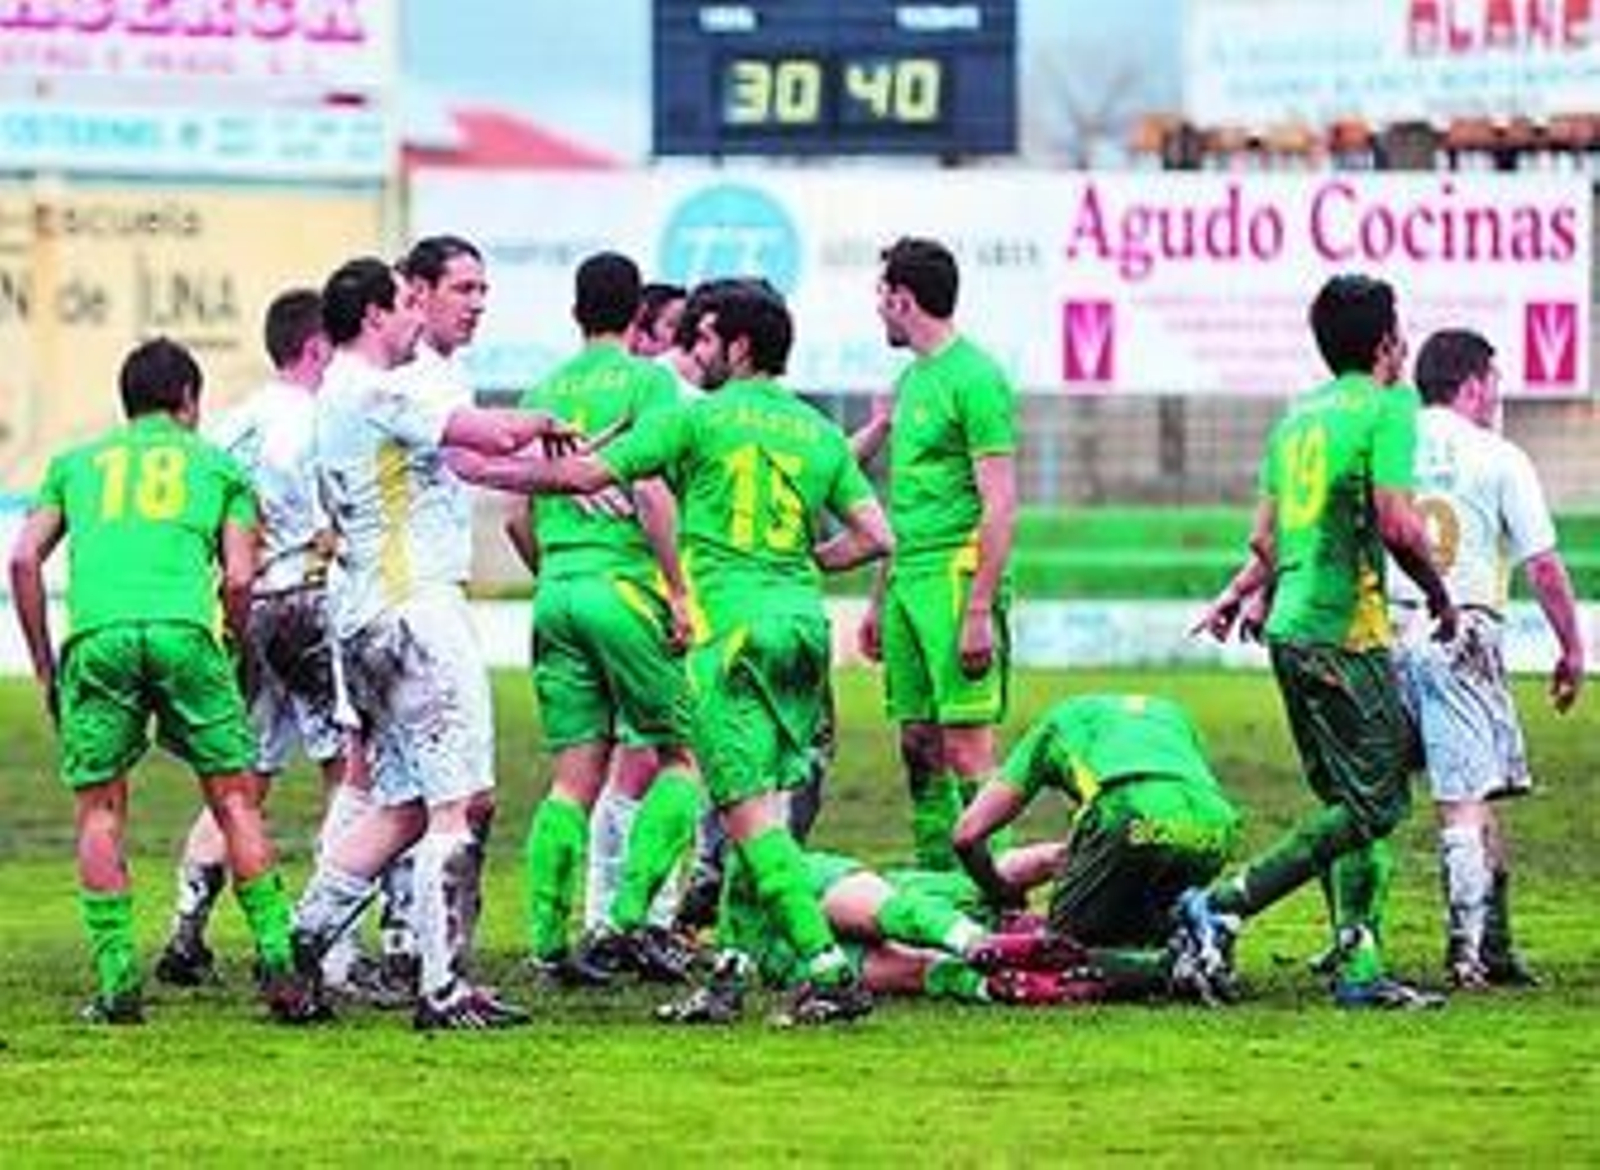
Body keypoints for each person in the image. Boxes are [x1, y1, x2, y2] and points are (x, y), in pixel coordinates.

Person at [448, 279, 894, 1026]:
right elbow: (881, 538)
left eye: (710, 337)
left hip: (729, 635)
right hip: (803, 630)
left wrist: (487, 470)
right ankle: (730, 971)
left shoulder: (696, 418)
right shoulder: (817, 431)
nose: (699, 350)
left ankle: (824, 971)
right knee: (771, 811)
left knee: (745, 817)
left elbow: (587, 475)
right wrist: (802, 562)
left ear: (741, 346)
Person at [289, 256, 572, 1031]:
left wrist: (571, 476)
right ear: (377, 316)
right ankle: (443, 989)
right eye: (406, 305)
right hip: (416, 614)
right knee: (458, 805)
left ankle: (303, 945)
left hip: (365, 620)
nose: (418, 318)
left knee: (403, 805)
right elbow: (476, 435)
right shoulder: (374, 389)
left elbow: (469, 460)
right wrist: (545, 422)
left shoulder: (338, 395)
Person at [8, 338, 324, 1025]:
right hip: (186, 632)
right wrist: (233, 640)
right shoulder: (216, 465)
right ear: (188, 400)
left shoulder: (75, 463)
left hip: (98, 636)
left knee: (99, 809)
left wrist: (42, 661)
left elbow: (24, 560)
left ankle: (119, 985)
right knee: (236, 800)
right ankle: (280, 968)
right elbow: (241, 576)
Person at [1183, 273, 1458, 1010]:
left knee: (1345, 799)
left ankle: (1358, 964)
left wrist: (1238, 592)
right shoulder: (1389, 406)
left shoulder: (1297, 420)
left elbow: (1265, 538)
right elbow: (1399, 522)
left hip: (1290, 629)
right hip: (1345, 631)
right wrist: (1439, 594)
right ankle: (1224, 904)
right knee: (1377, 805)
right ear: (1386, 344)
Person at [150, 288, 355, 990]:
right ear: (317, 347)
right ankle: (336, 946)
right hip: (304, 599)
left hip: (249, 608)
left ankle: (185, 928)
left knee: (244, 782)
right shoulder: (318, 421)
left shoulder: (233, 426)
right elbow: (341, 518)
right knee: (348, 774)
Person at [507, 252, 699, 982]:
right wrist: (678, 590)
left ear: (575, 311)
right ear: (637, 318)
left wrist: (558, 575)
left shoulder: (544, 391)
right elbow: (650, 494)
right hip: (624, 589)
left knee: (571, 782)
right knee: (683, 758)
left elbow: (515, 519)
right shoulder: (650, 383)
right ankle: (626, 924)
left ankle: (548, 946)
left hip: (556, 592)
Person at [1393, 328, 1584, 989]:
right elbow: (1545, 566)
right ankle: (1467, 953)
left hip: (1384, 632)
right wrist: (1573, 646)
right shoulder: (1499, 456)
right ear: (1473, 384)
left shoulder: (1389, 444)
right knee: (1463, 798)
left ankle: (1365, 942)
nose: (1498, 397)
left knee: (1362, 798)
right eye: (1495, 385)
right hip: (1460, 631)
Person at [860, 237, 1018, 871]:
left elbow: (1001, 503)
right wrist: (879, 598)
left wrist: (979, 607)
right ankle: (936, 875)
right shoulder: (908, 382)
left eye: (881, 296)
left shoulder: (976, 377)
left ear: (902, 299)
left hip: (954, 580)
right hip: (907, 583)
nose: (877, 308)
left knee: (966, 746)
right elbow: (901, 506)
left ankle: (999, 891)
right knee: (917, 741)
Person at [953, 694, 1242, 1002]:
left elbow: (966, 835)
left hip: (1130, 813)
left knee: (1059, 952)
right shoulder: (1170, 712)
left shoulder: (1052, 727)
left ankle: (1170, 970)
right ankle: (1198, 937)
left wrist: (998, 891)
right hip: (1217, 826)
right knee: (1138, 931)